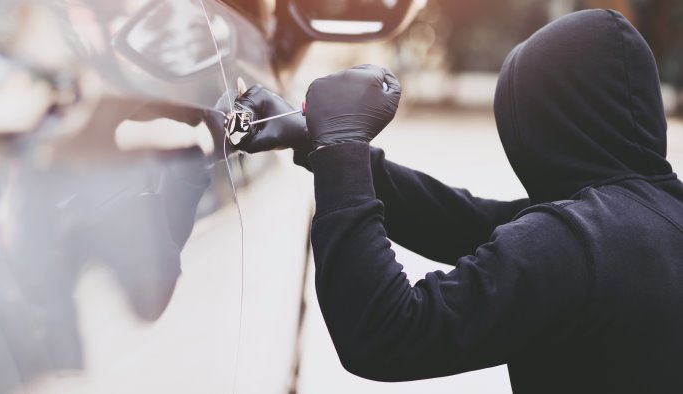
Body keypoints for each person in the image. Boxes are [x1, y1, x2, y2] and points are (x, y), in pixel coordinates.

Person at [235, 10, 683, 393]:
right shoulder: (651, 218)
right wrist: (319, 143)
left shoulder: (579, 242)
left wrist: (342, 148)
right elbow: (464, 222)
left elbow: (384, 331)